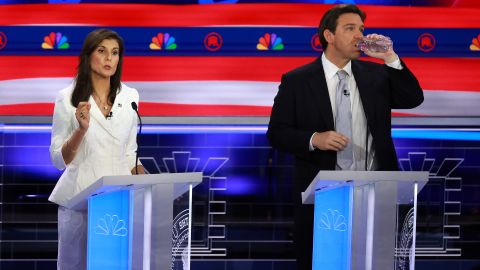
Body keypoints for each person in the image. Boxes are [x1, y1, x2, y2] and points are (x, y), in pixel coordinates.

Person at [267, 4, 423, 270]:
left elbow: (413, 99)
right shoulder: (297, 80)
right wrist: (314, 139)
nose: (359, 36)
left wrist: (390, 57)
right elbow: (277, 133)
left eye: (361, 29)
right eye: (350, 29)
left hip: (375, 192)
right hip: (324, 196)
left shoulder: (375, 75)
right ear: (329, 36)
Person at [48, 28, 145, 270]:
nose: (109, 58)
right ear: (88, 56)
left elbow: (129, 153)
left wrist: (153, 184)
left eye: (115, 53)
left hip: (119, 201)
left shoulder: (130, 96)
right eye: (101, 51)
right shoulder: (67, 97)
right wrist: (81, 130)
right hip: (81, 200)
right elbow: (59, 160)